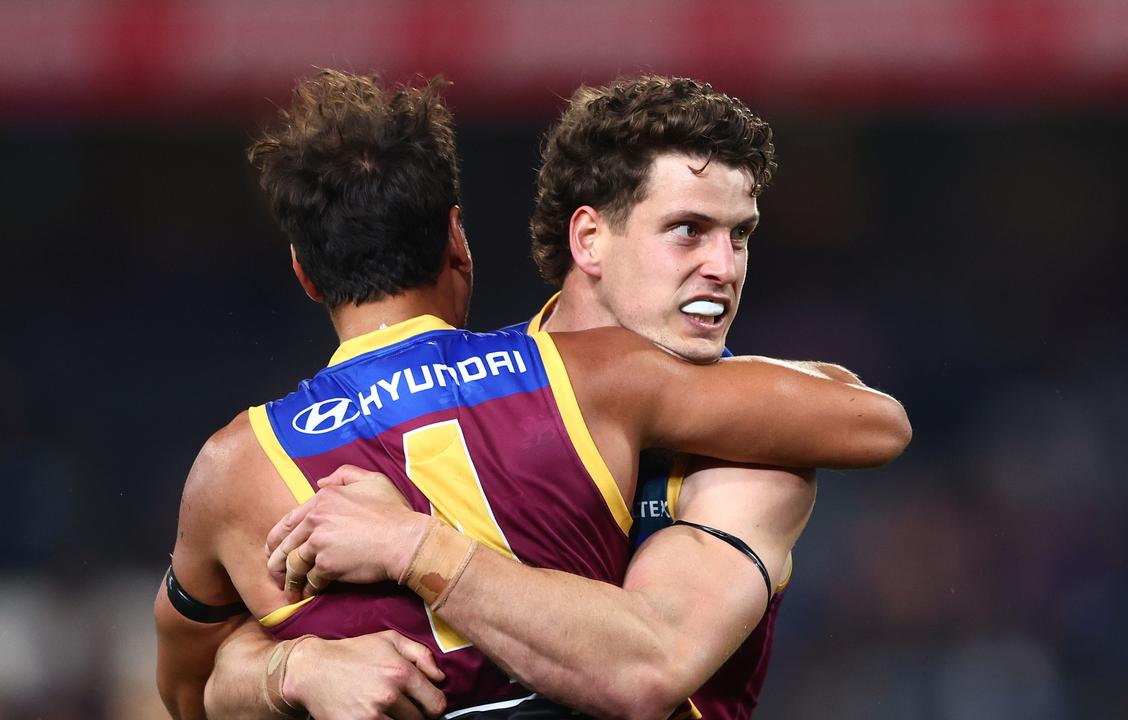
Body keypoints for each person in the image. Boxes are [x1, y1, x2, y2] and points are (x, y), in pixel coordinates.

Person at [154, 71, 910, 720]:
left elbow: (648, 666)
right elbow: (873, 421)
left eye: (739, 236)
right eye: (687, 230)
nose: (724, 265)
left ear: (306, 274)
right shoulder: (572, 379)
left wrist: (412, 548)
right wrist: (294, 671)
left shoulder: (755, 449)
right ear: (586, 239)